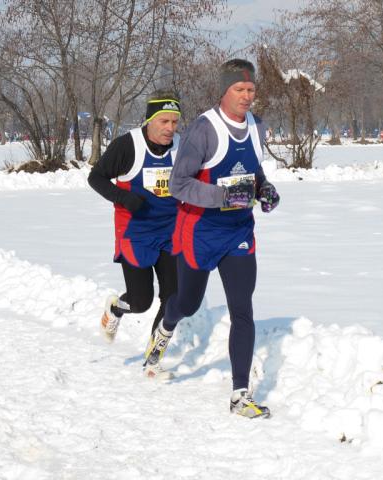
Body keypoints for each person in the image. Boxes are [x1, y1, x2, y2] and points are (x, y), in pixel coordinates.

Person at [142, 59, 280, 418]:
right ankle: (165, 327)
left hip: (238, 233)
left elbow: (254, 169)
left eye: (251, 90)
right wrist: (223, 197)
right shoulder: (204, 130)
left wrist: (264, 189)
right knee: (187, 304)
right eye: (239, 89)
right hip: (199, 232)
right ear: (224, 90)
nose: (247, 96)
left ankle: (239, 395)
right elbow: (178, 184)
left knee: (243, 310)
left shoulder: (258, 126)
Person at [88, 90, 182, 380]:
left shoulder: (182, 147)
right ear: (150, 120)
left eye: (175, 122)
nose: (170, 128)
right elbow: (96, 178)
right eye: (163, 121)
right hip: (135, 231)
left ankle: (153, 359)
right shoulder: (128, 146)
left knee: (173, 299)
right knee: (141, 301)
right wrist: (123, 198)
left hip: (170, 231)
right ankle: (117, 307)